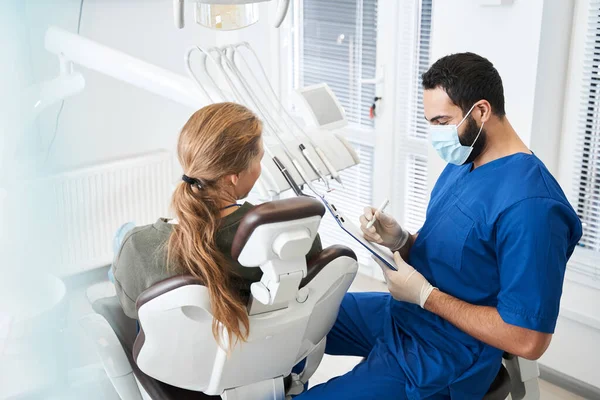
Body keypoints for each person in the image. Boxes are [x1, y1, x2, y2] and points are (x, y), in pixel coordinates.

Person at [298, 53, 582, 399]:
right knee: (291, 325)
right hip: (403, 315)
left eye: (442, 121)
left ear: (480, 111)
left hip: (445, 354)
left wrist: (425, 295)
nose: (435, 134)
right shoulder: (465, 161)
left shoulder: (532, 208)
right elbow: (460, 254)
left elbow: (528, 339)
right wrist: (402, 240)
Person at [112, 102, 322, 349]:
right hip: (257, 354)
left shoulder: (138, 246)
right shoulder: (289, 236)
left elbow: (130, 308)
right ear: (234, 176)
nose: (260, 168)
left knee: (123, 235)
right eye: (259, 159)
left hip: (177, 367)